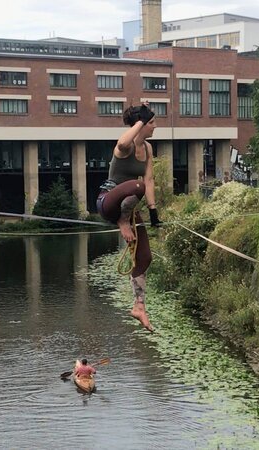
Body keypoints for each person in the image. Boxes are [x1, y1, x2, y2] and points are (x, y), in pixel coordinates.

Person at [96, 103, 161, 332]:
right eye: (152, 123)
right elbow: (122, 143)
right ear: (140, 124)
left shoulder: (149, 149)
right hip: (108, 202)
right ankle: (122, 222)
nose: (155, 127)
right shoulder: (125, 147)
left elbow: (150, 180)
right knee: (136, 185)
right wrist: (141, 121)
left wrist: (153, 211)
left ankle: (139, 306)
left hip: (131, 206)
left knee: (145, 257)